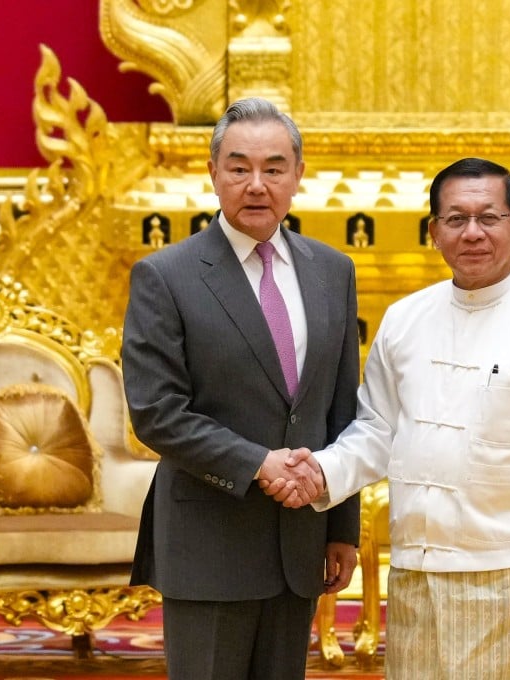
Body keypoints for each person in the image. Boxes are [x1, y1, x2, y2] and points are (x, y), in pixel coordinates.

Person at [266, 157, 510, 678]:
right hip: (416, 574)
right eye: (455, 219)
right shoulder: (404, 319)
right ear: (433, 232)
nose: (472, 233)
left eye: (488, 218)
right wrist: (320, 473)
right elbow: (377, 431)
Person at [122, 97, 361, 680]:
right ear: (213, 174)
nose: (257, 185)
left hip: (300, 538)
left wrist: (341, 526)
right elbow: (157, 413)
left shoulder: (332, 271)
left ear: (298, 176)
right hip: (210, 541)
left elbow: (341, 408)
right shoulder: (166, 276)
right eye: (239, 168)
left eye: (274, 168)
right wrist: (258, 463)